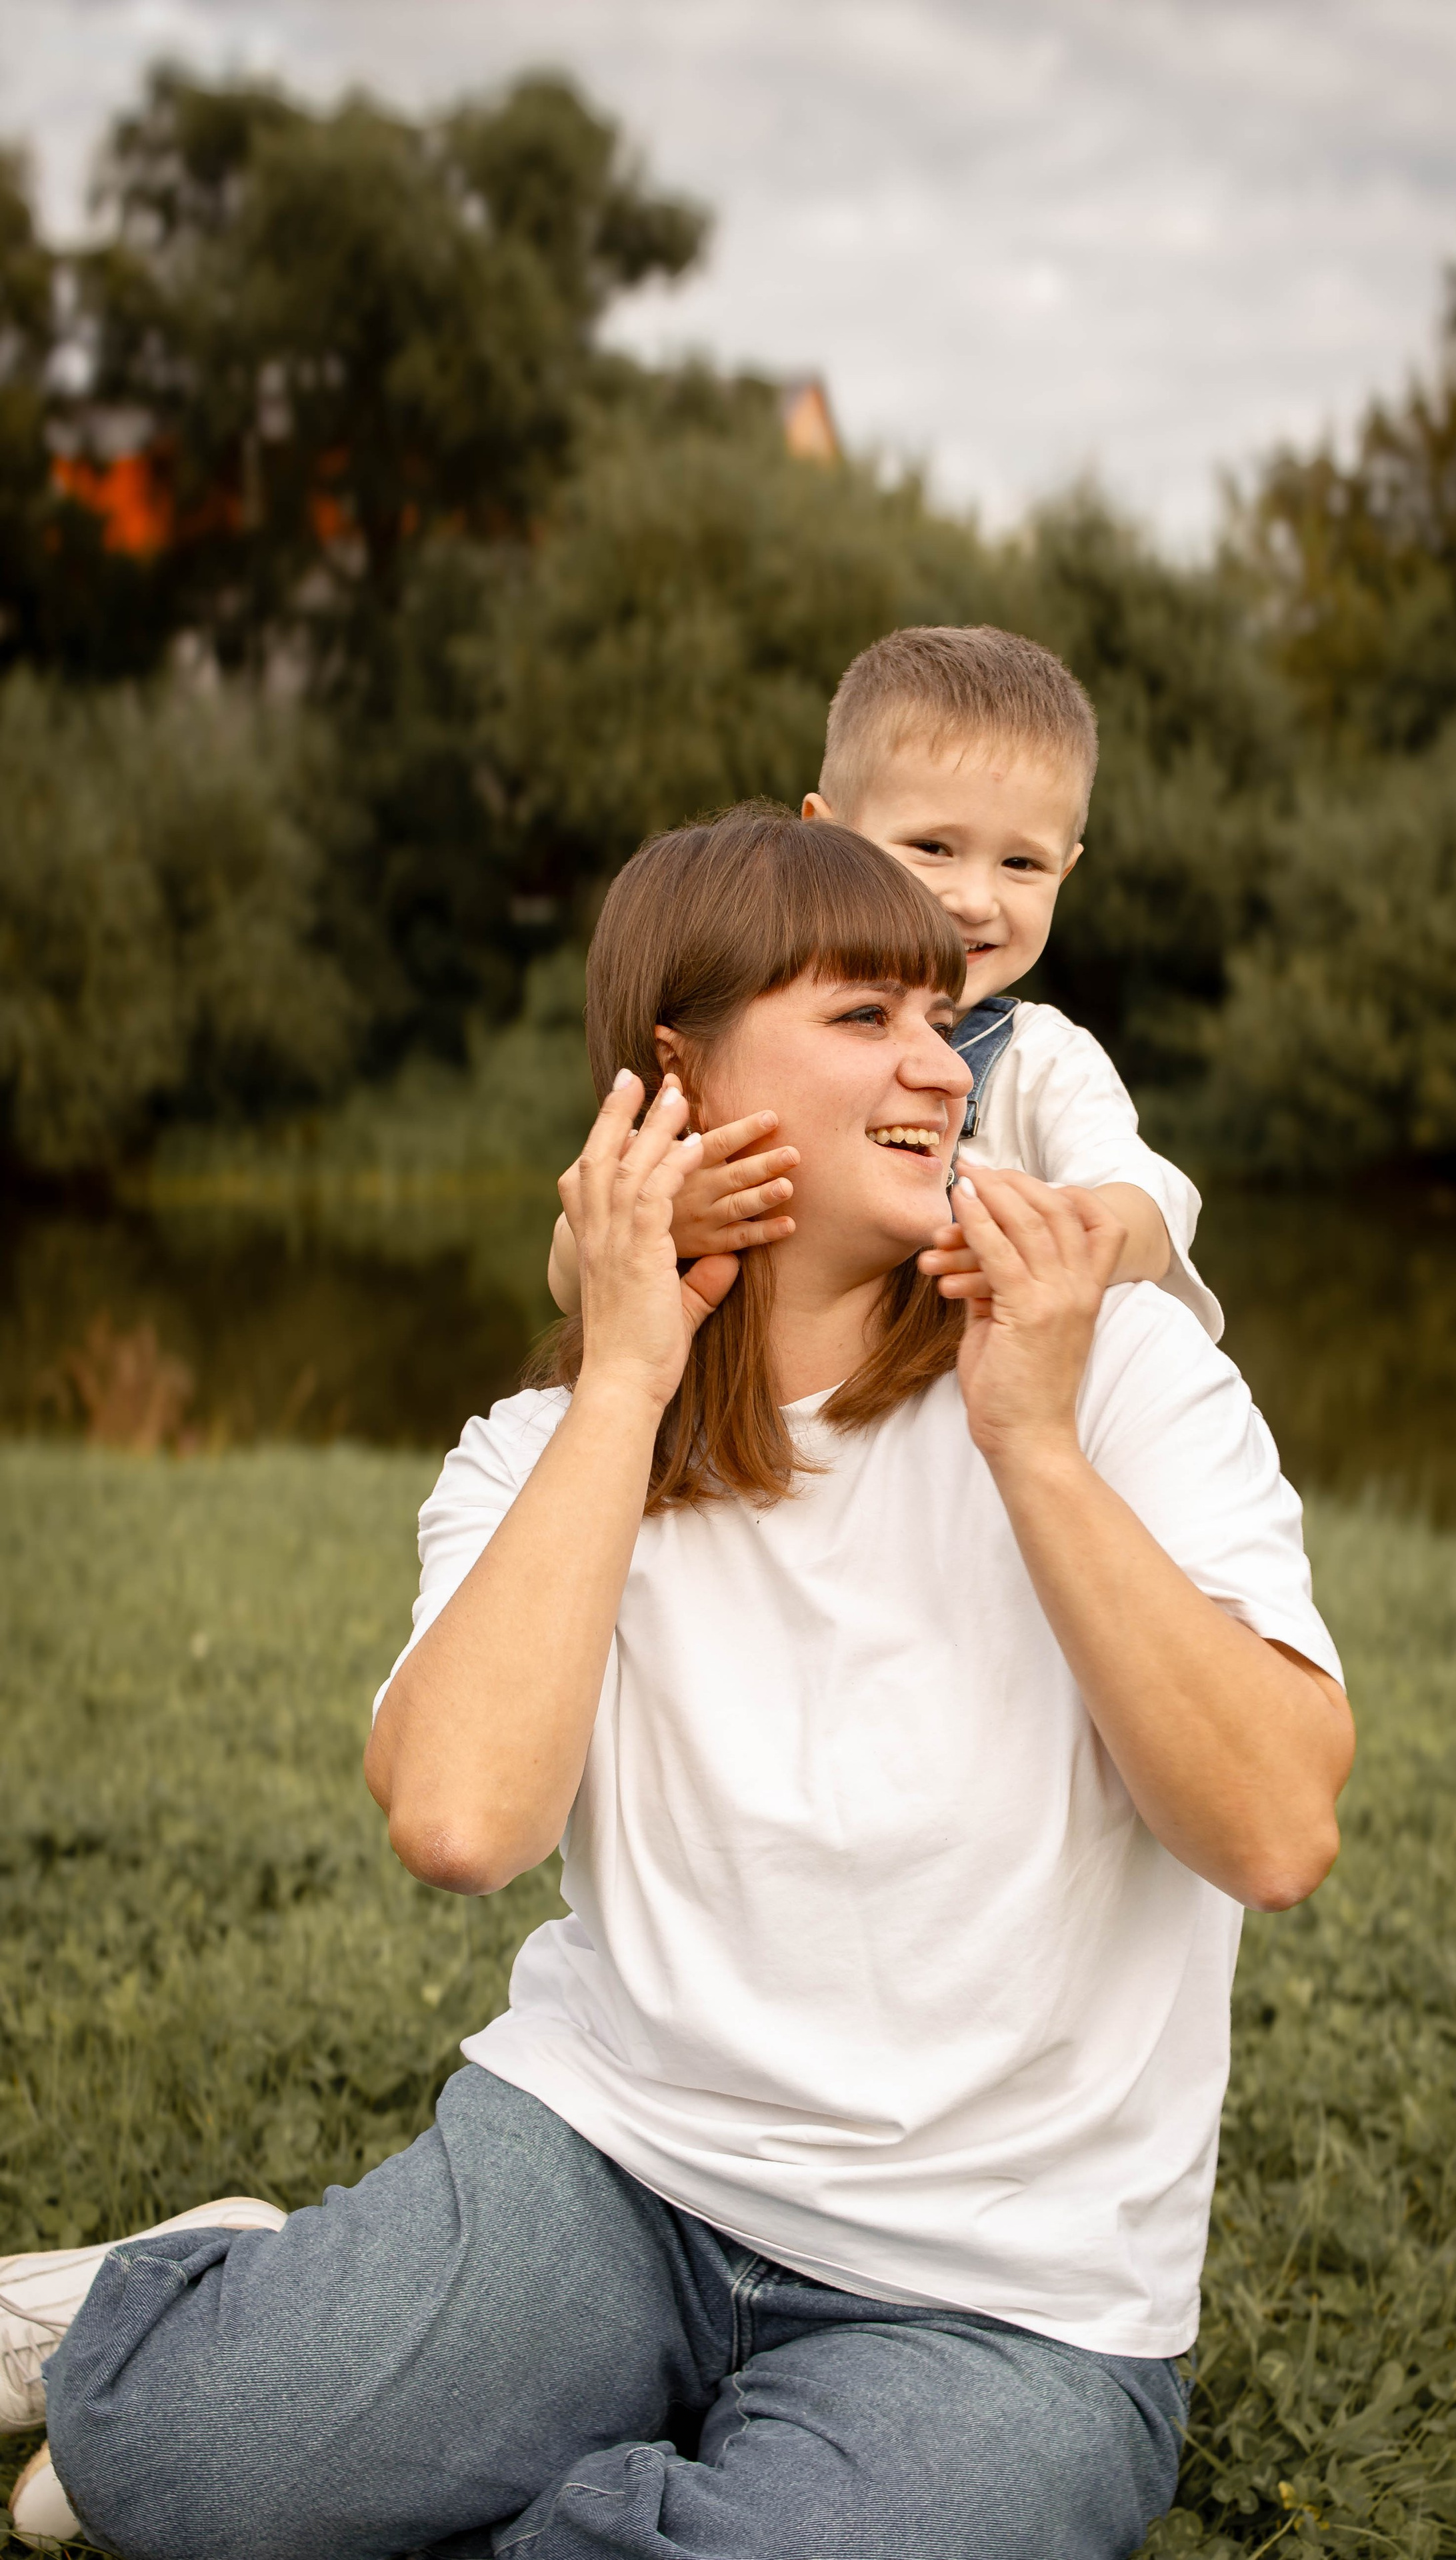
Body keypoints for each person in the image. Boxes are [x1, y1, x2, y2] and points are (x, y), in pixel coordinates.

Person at [7, 809, 1352, 2560]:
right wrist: (628, 1379)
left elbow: (1271, 1827)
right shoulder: (543, 1453)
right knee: (177, 2477)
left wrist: (1028, 1438)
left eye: (941, 1023)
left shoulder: (1121, 1376)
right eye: (862, 1018)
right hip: (613, 2169)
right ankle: (210, 2288)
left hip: (1005, 2296)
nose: (937, 1072)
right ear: (677, 1072)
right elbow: (462, 1820)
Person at [548, 623, 1223, 1344]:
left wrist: (1063, 1238)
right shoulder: (754, 1029)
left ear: (1066, 873)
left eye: (1021, 865)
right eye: (934, 847)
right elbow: (573, 1260)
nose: (974, 899)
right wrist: (665, 1219)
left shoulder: (1040, 1062)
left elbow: (1148, 1204)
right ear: (825, 836)